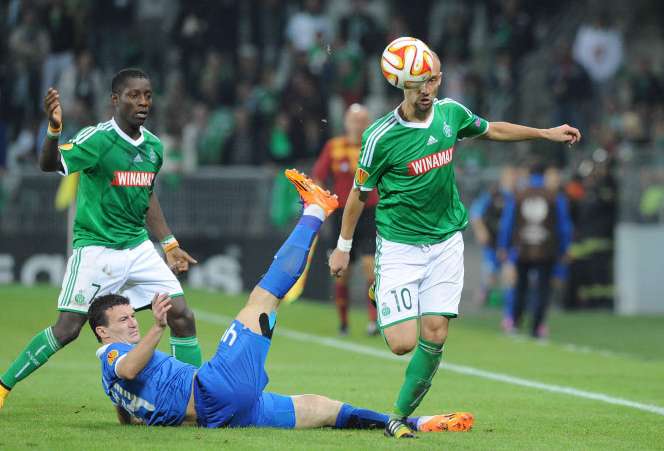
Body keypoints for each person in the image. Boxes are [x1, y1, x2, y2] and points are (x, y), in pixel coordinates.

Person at [90, 169, 474, 433]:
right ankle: (316, 209)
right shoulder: (114, 357)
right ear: (102, 332)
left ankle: (411, 423)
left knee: (322, 409)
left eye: (132, 316)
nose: (132, 322)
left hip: (224, 416)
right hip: (214, 389)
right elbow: (126, 369)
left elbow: (124, 394)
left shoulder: (110, 381)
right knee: (263, 297)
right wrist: (158, 327)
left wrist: (131, 420)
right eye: (123, 320)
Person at [328, 47, 581, 438]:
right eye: (418, 83)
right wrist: (344, 247)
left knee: (435, 333)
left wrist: (544, 133)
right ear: (401, 84)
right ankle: (384, 287)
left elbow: (492, 129)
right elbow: (359, 195)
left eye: (433, 79)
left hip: (447, 241)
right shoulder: (380, 137)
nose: (428, 89)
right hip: (400, 245)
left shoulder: (451, 114)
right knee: (400, 344)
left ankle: (397, 415)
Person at [0, 69, 201, 409]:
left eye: (147, 95)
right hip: (96, 248)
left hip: (137, 247)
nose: (142, 102)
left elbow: (147, 194)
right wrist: (53, 129)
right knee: (68, 329)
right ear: (115, 100)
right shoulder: (97, 139)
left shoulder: (153, 147)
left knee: (182, 314)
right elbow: (49, 163)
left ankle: (193, 398)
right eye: (133, 95)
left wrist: (168, 243)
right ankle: (4, 385)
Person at [312, 103, 379, 336]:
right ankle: (343, 322)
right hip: (342, 215)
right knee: (342, 273)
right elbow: (319, 177)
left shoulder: (374, 146)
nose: (358, 124)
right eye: (354, 120)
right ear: (346, 122)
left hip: (370, 213)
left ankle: (373, 322)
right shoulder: (334, 147)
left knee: (371, 267)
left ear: (368, 122)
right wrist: (320, 206)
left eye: (362, 120)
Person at [497, 163, 573, 338]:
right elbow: (564, 226)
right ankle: (537, 326)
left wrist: (504, 246)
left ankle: (515, 321)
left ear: (529, 174)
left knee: (520, 286)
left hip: (522, 249)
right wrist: (564, 248)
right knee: (543, 288)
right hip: (546, 250)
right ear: (544, 174)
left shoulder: (518, 195)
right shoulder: (554, 197)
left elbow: (507, 223)